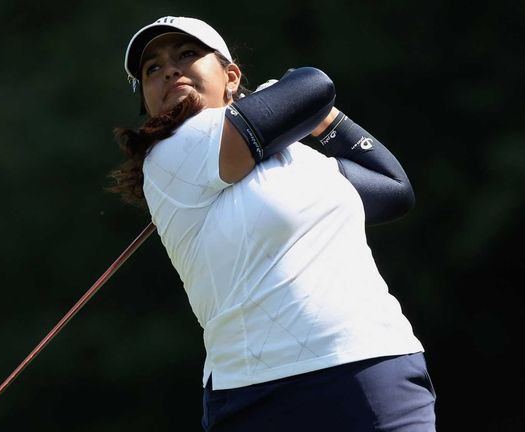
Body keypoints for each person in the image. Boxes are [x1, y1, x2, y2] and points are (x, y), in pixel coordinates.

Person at [109, 16, 437, 432]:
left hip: (369, 364)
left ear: (231, 76)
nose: (170, 69)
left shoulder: (303, 159)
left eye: (187, 54)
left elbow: (393, 189)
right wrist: (291, 103)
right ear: (149, 103)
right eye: (152, 69)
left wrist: (324, 121)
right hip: (257, 395)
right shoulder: (171, 153)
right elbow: (312, 84)